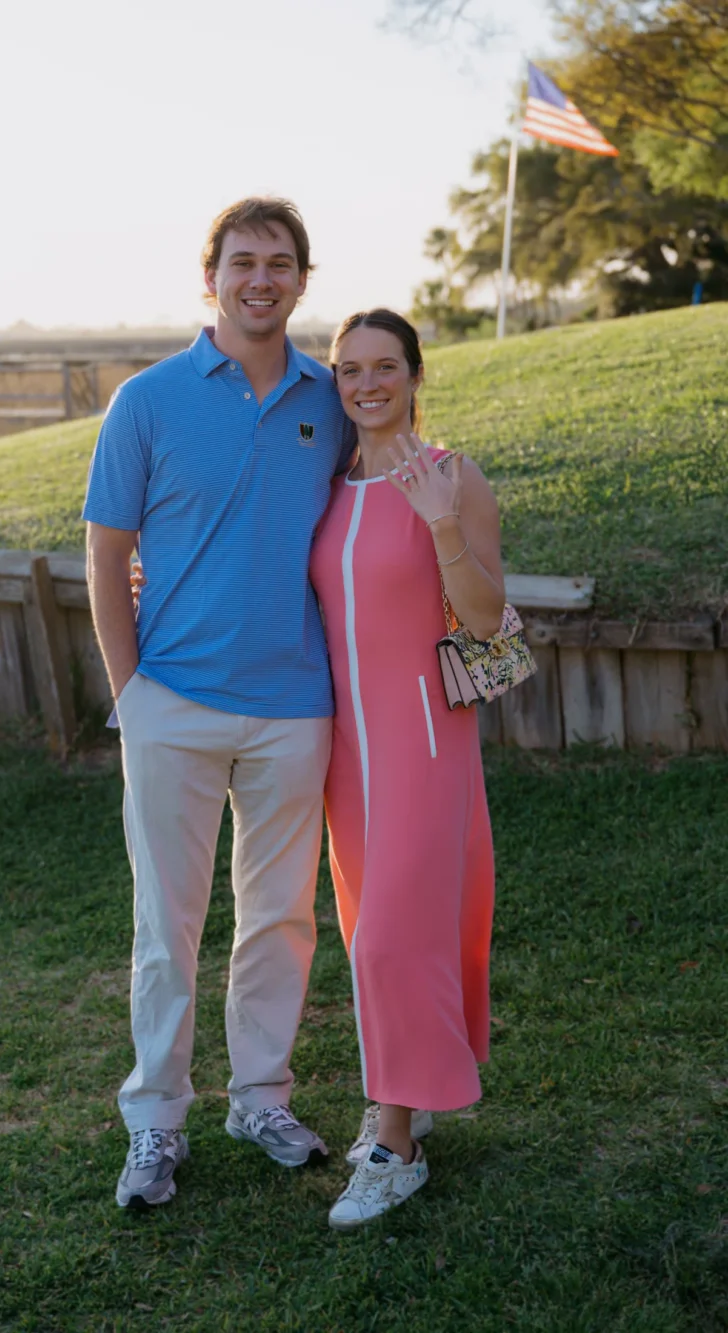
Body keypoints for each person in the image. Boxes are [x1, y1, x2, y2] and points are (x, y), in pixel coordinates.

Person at [82, 198, 354, 1210]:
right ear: (212, 277)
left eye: (280, 263)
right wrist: (130, 693)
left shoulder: (329, 402)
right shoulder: (145, 401)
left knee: (282, 916)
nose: (261, 279)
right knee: (168, 924)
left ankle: (259, 1096)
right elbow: (107, 556)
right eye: (244, 262)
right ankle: (154, 1121)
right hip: (173, 704)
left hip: (294, 705)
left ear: (299, 279)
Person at [308, 308, 503, 1232]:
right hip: (346, 750)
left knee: (396, 932)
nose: (367, 383)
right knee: (368, 929)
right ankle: (404, 1088)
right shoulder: (329, 485)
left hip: (427, 742)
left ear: (417, 375)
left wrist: (440, 527)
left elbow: (484, 616)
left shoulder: (453, 477)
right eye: (350, 369)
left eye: (386, 366)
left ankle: (398, 1146)